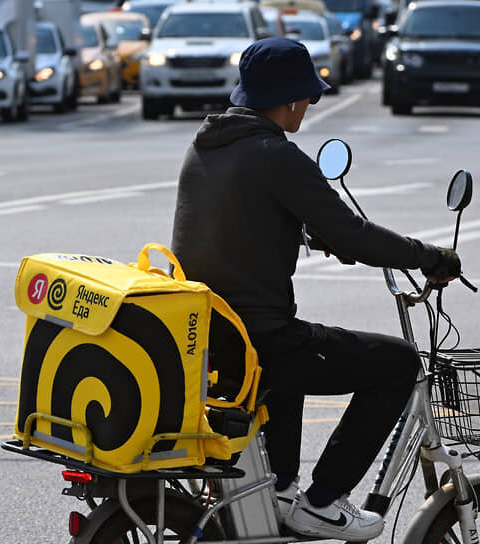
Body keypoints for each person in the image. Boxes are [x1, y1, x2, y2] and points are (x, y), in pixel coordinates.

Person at [170, 37, 461, 541]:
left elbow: (243, 217)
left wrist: (308, 233)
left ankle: (281, 488)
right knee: (395, 363)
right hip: (258, 338)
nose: (309, 105)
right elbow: (353, 233)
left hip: (213, 337)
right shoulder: (274, 154)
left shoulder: (207, 145)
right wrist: (429, 257)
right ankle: (324, 502)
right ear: (288, 100)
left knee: (297, 361)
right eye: (309, 96)